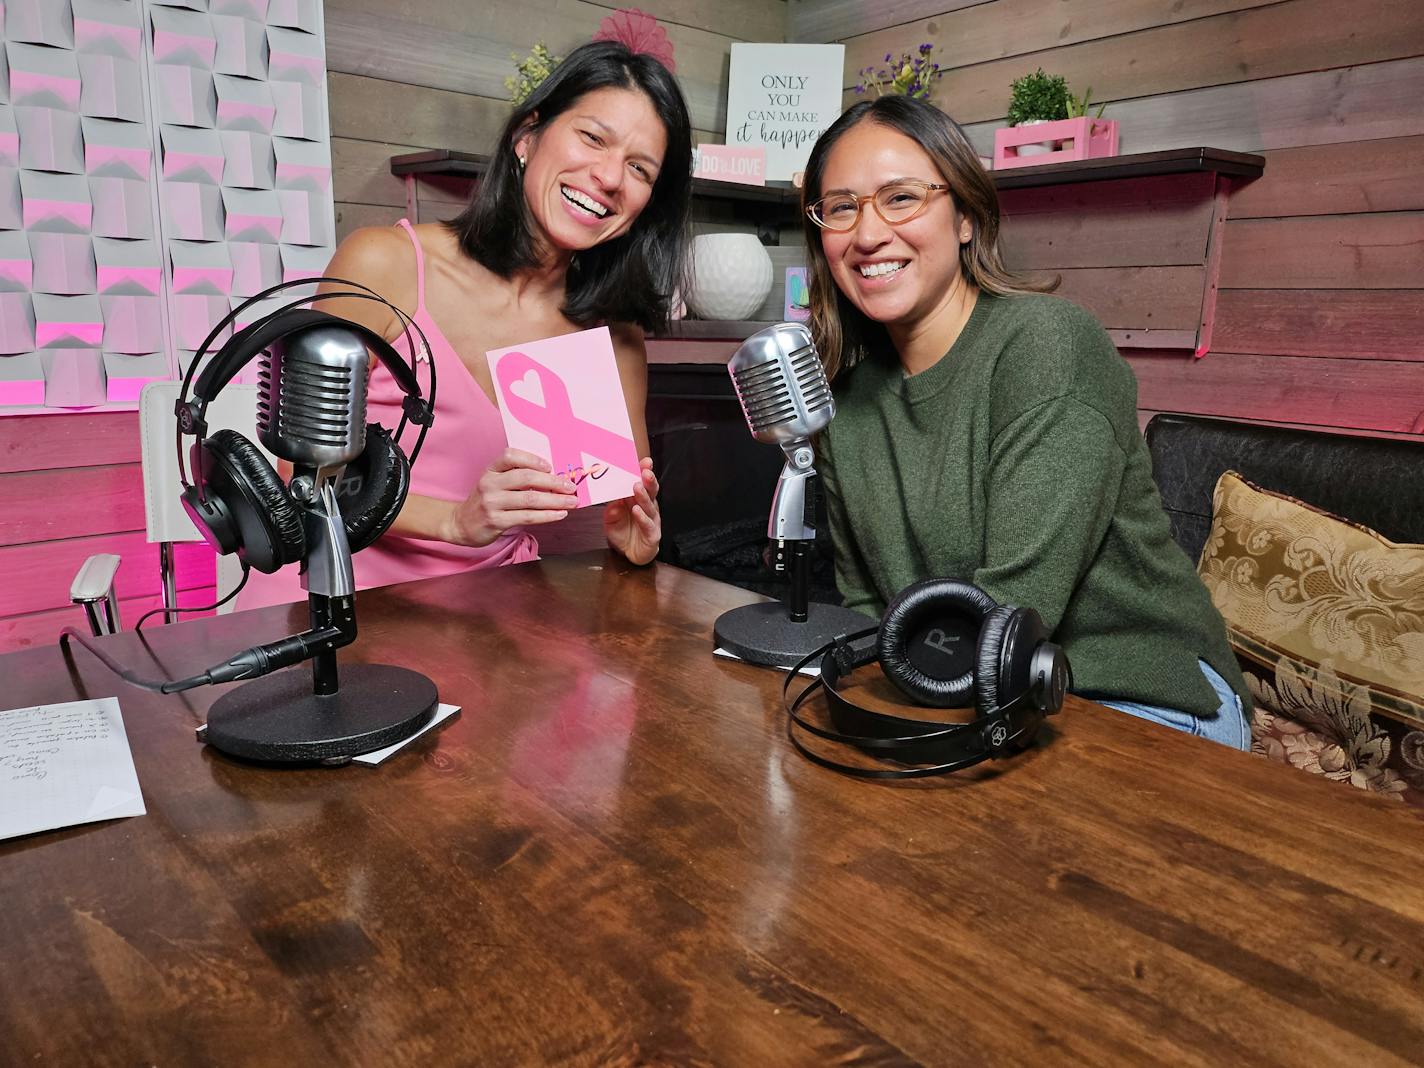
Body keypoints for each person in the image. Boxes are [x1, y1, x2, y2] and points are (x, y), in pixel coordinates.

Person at [801, 95, 1251, 748]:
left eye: (900, 198)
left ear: (964, 216)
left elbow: (1015, 611)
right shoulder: (846, 401)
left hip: (1137, 695)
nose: (867, 234)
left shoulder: (1046, 344)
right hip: (966, 692)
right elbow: (867, 614)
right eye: (841, 207)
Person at [239, 41, 690, 609]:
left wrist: (636, 542)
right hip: (332, 596)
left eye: (639, 168)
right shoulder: (389, 266)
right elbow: (295, 475)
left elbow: (618, 509)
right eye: (593, 138)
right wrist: (455, 521)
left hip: (493, 612)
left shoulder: (612, 338)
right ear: (527, 137)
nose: (607, 176)